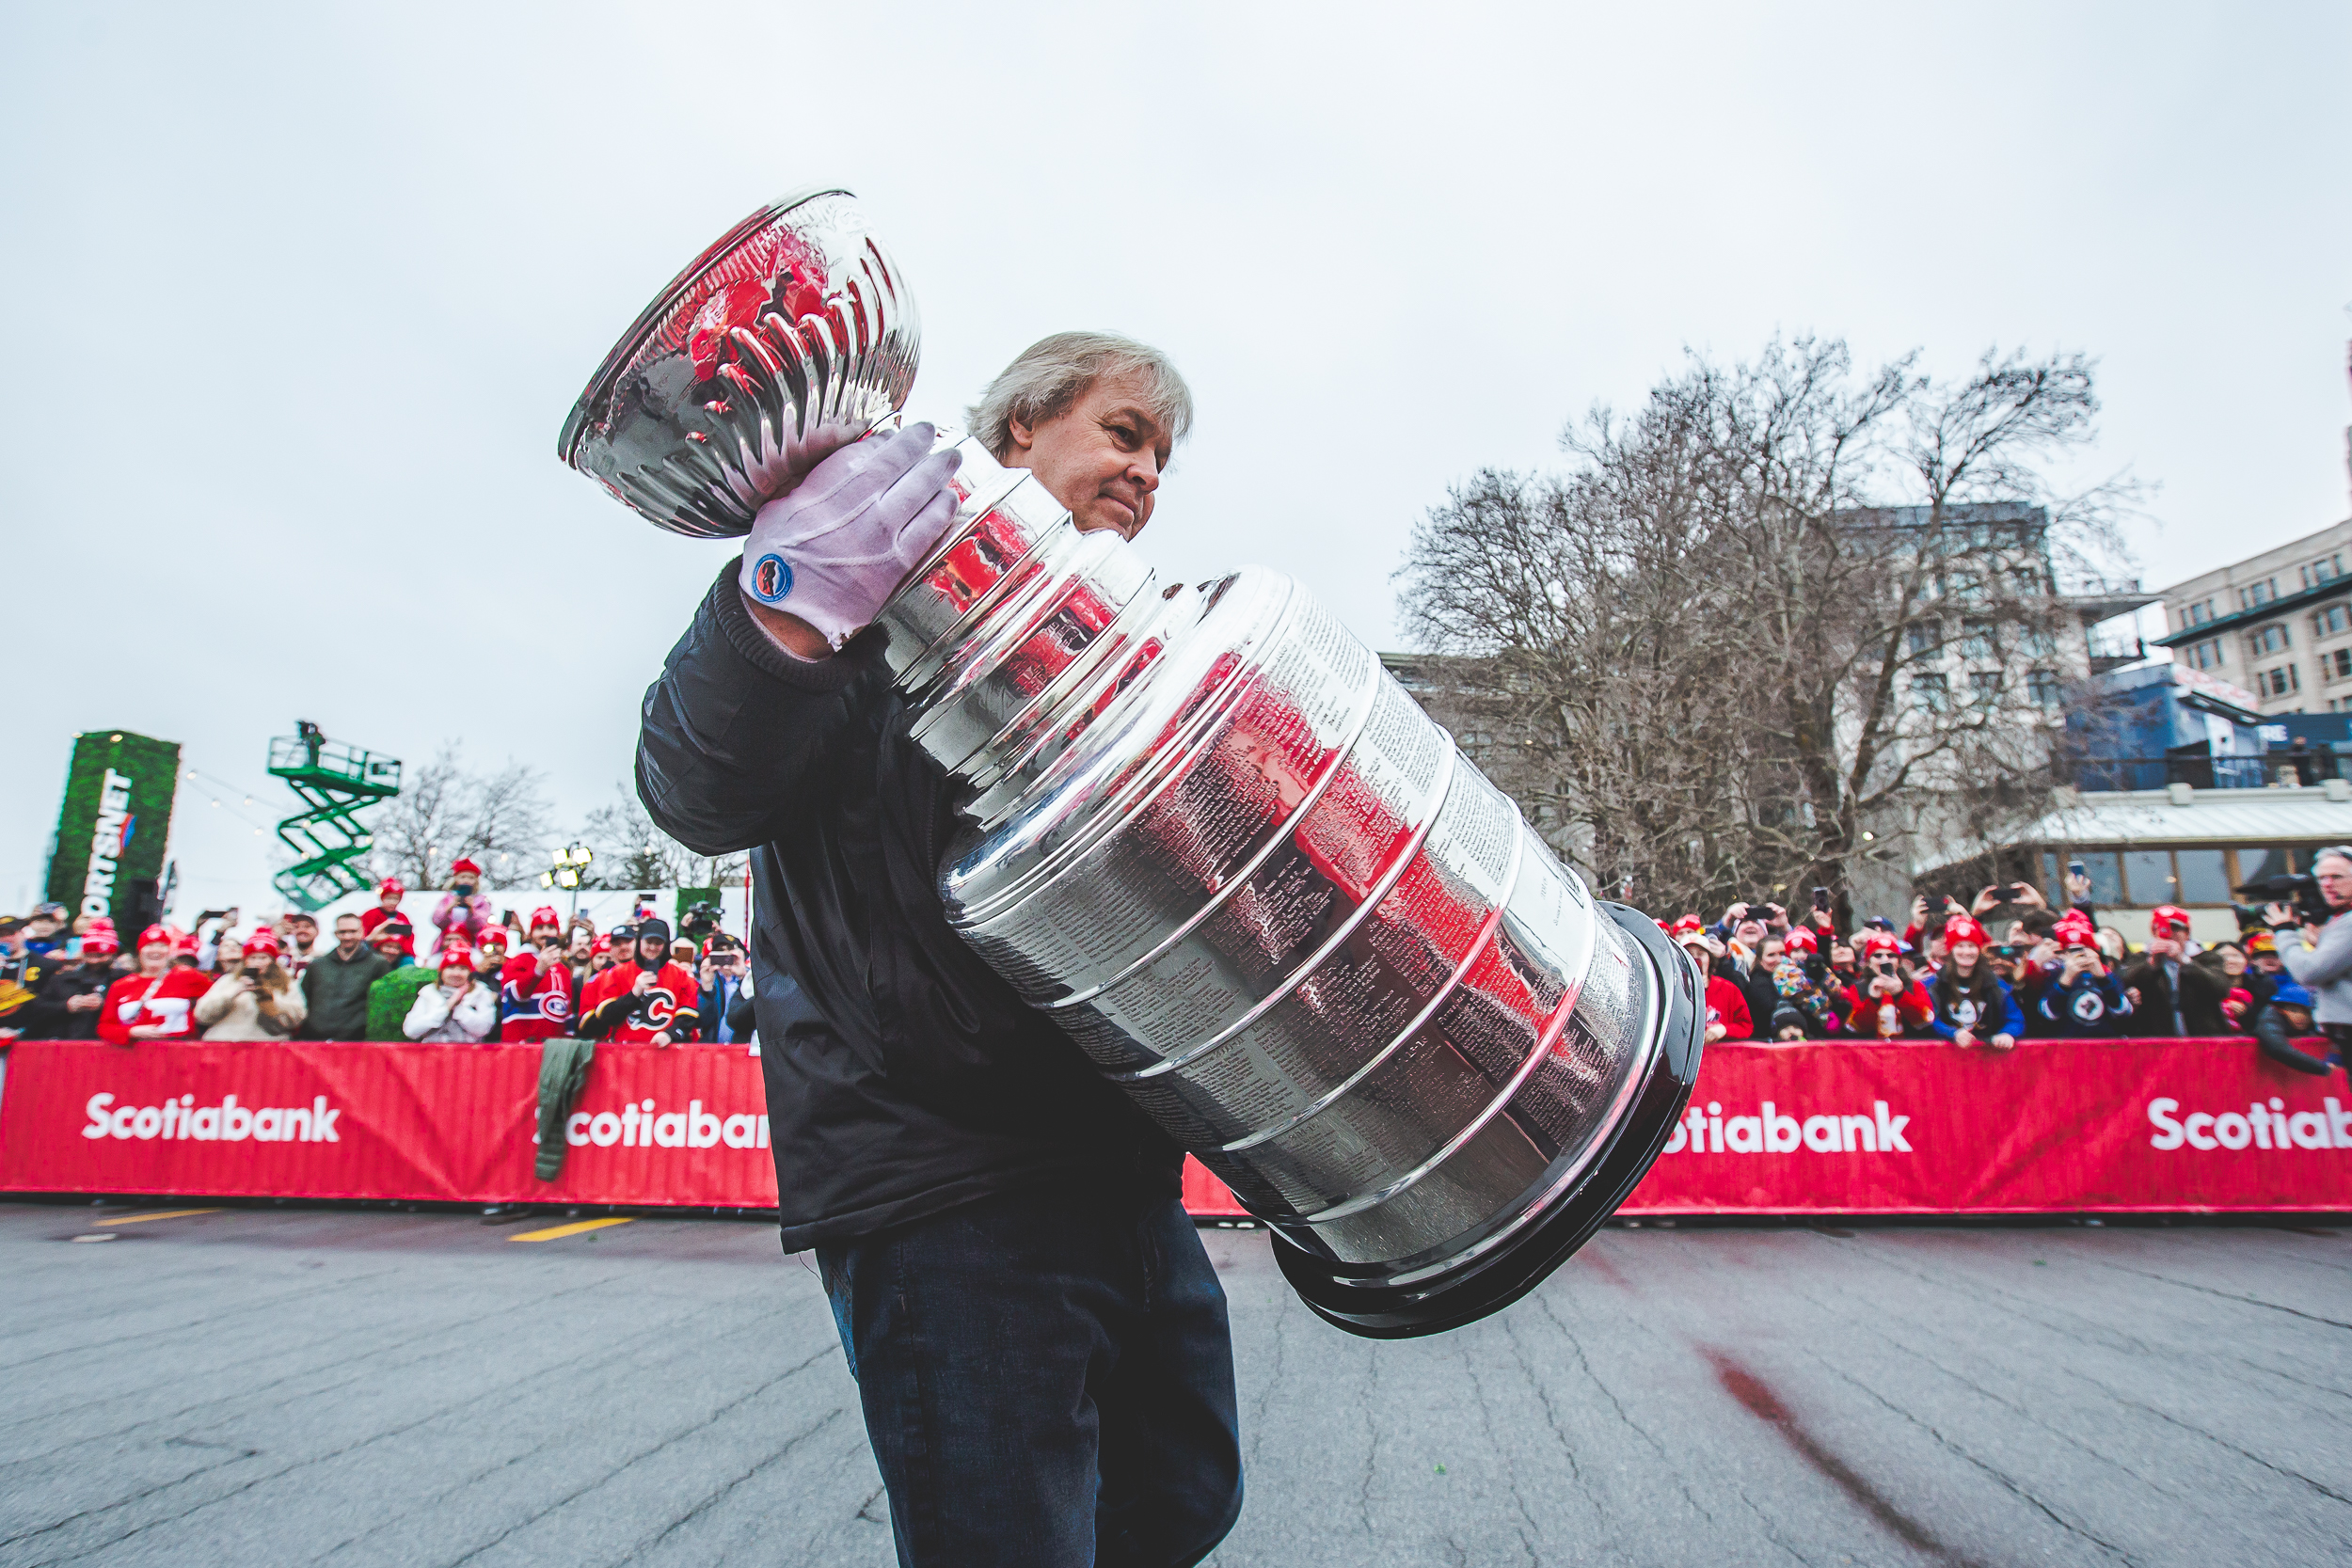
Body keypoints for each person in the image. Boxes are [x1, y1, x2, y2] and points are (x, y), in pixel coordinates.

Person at [636, 333, 1242, 1568]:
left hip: (1114, 1163)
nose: (1148, 471)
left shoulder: (1116, 640)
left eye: (1163, 457)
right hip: (943, 1178)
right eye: (1124, 432)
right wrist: (774, 604)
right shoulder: (876, 582)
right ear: (1024, 421)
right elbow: (695, 785)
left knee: (1181, 1496)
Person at [578, 918, 700, 1045]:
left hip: (666, 1050)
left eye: (658, 943)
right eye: (649, 942)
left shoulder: (682, 975)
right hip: (625, 1050)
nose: (652, 947)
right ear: (640, 941)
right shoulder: (617, 973)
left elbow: (688, 1014)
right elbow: (606, 1016)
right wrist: (634, 993)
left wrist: (670, 1034)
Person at [2281, 847, 2352, 1061]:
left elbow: (2308, 972)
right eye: (2321, 878)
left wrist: (2284, 931)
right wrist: (2322, 943)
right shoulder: (2340, 918)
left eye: (2336, 877)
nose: (2327, 884)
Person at [97, 926, 215, 1045]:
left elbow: (216, 1001)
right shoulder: (121, 985)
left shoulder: (188, 976)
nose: (155, 950)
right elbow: (104, 1028)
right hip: (135, 1052)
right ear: (139, 951)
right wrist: (131, 1032)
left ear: (169, 951)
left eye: (162, 946)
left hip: (180, 1050)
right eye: (149, 946)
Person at [2122, 906, 2230, 1037]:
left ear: (2187, 933)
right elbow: (2126, 985)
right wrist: (2152, 965)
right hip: (2158, 1039)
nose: (2169, 934)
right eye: (2162, 929)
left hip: (2203, 1037)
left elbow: (2220, 989)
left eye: (2175, 929)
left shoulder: (2207, 958)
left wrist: (2185, 962)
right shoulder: (2140, 958)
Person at [1924, 916, 2021, 1050]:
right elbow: (1928, 1019)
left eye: (1971, 946)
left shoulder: (1996, 984)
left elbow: (2016, 1019)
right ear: (1951, 950)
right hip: (1945, 1057)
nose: (1967, 952)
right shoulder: (1932, 985)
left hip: (1988, 1056)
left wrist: (2007, 1033)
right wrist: (1952, 1033)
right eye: (1960, 946)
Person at [197, 927, 307, 1041]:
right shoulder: (228, 981)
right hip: (226, 1042)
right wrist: (234, 992)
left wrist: (269, 998)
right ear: (245, 960)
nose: (257, 963)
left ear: (273, 961)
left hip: (267, 1044)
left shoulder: (286, 983)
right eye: (252, 958)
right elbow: (202, 1015)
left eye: (263, 958)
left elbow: (298, 1018)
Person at [22, 918, 119, 1039]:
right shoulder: (62, 979)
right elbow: (37, 1010)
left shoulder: (123, 979)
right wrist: (67, 1005)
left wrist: (105, 1005)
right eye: (90, 954)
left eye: (101, 955)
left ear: (113, 955)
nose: (95, 960)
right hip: (65, 1041)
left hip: (107, 1042)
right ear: (83, 953)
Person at [301, 912, 393, 1039]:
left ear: (361, 932)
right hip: (315, 1039)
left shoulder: (377, 964)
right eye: (342, 932)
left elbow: (383, 1003)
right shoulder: (317, 965)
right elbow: (305, 997)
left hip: (355, 1041)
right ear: (335, 934)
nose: (347, 936)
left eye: (352, 931)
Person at [2032, 927, 2134, 1037]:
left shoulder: (2110, 977)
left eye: (2084, 949)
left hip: (2105, 1042)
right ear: (2063, 954)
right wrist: (2066, 980)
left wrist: (2102, 978)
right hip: (2068, 1043)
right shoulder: (2054, 976)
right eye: (2072, 951)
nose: (2078, 955)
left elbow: (2123, 1011)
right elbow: (2048, 1014)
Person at [498, 917, 577, 1043]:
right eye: (539, 928)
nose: (545, 932)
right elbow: (513, 997)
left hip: (555, 1046)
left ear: (557, 933)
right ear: (531, 933)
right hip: (521, 1046)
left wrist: (568, 1041)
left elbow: (568, 1011)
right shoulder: (516, 961)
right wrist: (538, 971)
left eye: (551, 927)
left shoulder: (563, 970)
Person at [1843, 932, 1933, 1040]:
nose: (1885, 960)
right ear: (1868, 962)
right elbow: (1854, 1028)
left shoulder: (1915, 985)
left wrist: (1900, 994)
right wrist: (1873, 1000)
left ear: (1899, 962)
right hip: (1871, 1050)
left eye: (1891, 956)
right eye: (1878, 955)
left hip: (1909, 1049)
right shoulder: (1857, 988)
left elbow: (1926, 1021)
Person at [403, 946, 499, 1042]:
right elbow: (411, 1031)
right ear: (441, 972)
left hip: (468, 1050)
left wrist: (458, 1007)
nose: (456, 973)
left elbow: (483, 1030)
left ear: (469, 973)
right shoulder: (428, 992)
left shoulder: (481, 992)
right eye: (451, 968)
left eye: (462, 969)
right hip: (433, 1049)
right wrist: (446, 1008)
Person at [1676, 929, 1752, 1043]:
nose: (1696, 960)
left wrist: (1725, 1030)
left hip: (1720, 1053)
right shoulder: (1674, 991)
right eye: (1689, 955)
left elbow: (1746, 1027)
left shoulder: (1728, 989)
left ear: (1710, 958)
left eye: (1700, 954)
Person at [699, 932, 753, 1044]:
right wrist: (706, 987)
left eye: (730, 950)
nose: (725, 954)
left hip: (743, 1047)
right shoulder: (710, 980)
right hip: (713, 1048)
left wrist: (743, 977)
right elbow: (702, 1021)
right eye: (720, 951)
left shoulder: (752, 979)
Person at [434, 860, 492, 957]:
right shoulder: (447, 899)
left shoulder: (481, 901)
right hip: (447, 942)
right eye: (463, 877)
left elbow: (482, 924)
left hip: (472, 943)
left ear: (476, 880)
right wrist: (449, 908)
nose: (466, 880)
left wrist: (472, 911)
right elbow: (437, 921)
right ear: (456, 879)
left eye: (471, 877)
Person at [360, 879, 414, 959]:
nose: (392, 902)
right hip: (375, 953)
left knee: (408, 961)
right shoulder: (371, 914)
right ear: (382, 898)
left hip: (398, 954)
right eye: (389, 898)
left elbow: (409, 938)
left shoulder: (403, 917)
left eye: (395, 899)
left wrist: (400, 948)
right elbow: (364, 935)